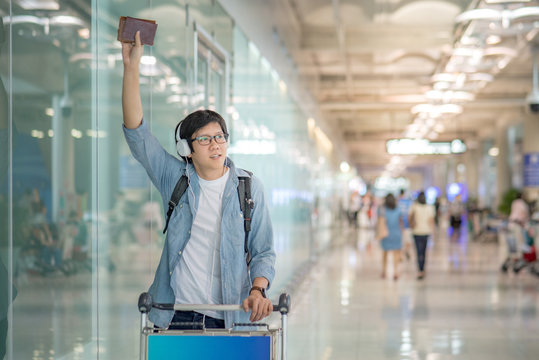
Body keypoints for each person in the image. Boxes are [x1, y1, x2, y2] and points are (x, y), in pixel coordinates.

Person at [121, 31, 275, 329]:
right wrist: (131, 67)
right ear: (187, 150)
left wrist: (258, 289)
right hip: (176, 315)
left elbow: (263, 250)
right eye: (204, 139)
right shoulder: (175, 179)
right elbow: (137, 134)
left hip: (230, 316)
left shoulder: (248, 188)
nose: (215, 144)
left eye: (220, 137)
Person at [408, 191, 435, 280]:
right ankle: (422, 269)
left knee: (418, 251)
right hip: (426, 232)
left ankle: (420, 270)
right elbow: (431, 221)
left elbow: (409, 217)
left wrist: (412, 226)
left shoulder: (414, 206)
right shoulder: (429, 208)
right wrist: (432, 231)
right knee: (423, 251)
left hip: (416, 231)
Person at [377, 193, 403, 280]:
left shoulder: (382, 210)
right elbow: (401, 222)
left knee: (385, 253)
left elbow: (379, 222)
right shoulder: (398, 209)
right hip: (396, 234)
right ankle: (395, 271)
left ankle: (384, 271)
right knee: (396, 254)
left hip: (385, 234)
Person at [397, 189, 412, 260]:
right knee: (408, 241)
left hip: (398, 225)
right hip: (407, 224)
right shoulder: (409, 202)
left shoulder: (397, 202)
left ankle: (400, 255)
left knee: (400, 241)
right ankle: (406, 251)